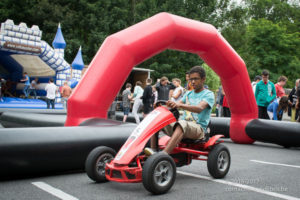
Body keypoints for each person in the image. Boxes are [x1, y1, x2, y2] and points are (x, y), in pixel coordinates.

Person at [148, 66, 214, 154]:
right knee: (157, 121)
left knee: (182, 123)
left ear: (203, 79)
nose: (193, 82)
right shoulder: (188, 93)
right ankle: (153, 150)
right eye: (191, 79)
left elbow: (199, 108)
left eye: (196, 79)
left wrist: (180, 105)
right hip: (183, 126)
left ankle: (164, 155)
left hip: (199, 129)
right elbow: (175, 105)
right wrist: (162, 106)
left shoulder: (208, 94)